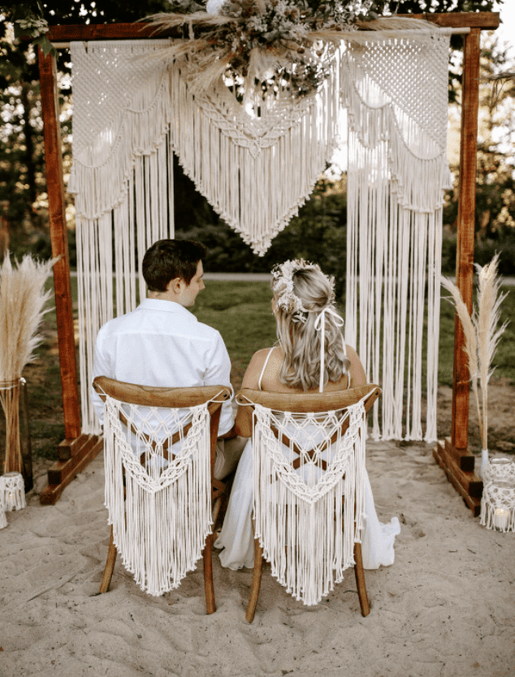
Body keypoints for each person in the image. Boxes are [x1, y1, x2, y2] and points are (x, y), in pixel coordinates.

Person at [215, 258, 400, 569]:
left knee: (240, 454)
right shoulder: (348, 359)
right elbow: (357, 420)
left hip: (272, 475)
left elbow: (244, 430)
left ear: (279, 308)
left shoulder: (263, 363)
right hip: (332, 472)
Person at [91, 239, 246, 479]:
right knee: (248, 446)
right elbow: (223, 426)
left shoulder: (110, 333)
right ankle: (213, 510)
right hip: (192, 467)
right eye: (197, 279)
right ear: (177, 284)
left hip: (132, 462)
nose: (202, 286)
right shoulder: (207, 339)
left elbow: (101, 407)